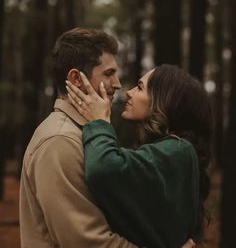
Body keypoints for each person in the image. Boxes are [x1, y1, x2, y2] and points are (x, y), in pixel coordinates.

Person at [20, 28, 195, 248]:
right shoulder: (60, 140)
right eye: (108, 73)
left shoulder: (84, 133)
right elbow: (87, 241)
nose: (118, 84)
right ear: (76, 78)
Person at [66, 64, 213, 248]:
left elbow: (103, 168)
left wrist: (99, 122)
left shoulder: (179, 150)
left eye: (140, 87)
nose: (129, 92)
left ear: (163, 100)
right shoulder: (168, 153)